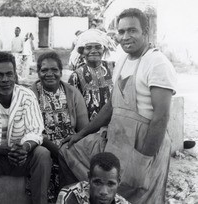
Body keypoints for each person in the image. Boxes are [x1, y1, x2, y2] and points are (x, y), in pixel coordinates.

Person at [59, 8, 177, 203]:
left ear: (145, 32)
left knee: (138, 194)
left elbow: (161, 117)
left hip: (144, 144)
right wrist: (81, 134)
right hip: (118, 138)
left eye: (132, 30)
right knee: (68, 151)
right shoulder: (123, 61)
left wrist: (143, 162)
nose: (125, 37)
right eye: (121, 32)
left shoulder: (157, 63)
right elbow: (111, 106)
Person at [0, 52, 52, 204]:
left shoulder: (27, 96)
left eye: (9, 74)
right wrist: (8, 151)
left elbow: (35, 130)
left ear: (15, 75)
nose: (5, 80)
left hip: (23, 158)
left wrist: (25, 148)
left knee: (43, 153)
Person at [31, 51, 89, 202]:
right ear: (38, 72)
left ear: (61, 72)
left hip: (70, 146)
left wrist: (70, 148)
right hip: (42, 145)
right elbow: (31, 131)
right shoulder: (30, 94)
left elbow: (84, 129)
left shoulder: (73, 93)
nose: (49, 74)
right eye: (44, 70)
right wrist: (57, 150)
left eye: (54, 70)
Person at [68, 29, 115, 121]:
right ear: (82, 52)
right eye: (88, 48)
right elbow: (72, 108)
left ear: (104, 49)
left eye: (98, 47)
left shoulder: (114, 68)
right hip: (88, 129)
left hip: (114, 125)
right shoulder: (76, 76)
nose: (93, 51)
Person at [56, 152, 130, 204]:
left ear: (119, 182)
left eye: (110, 184)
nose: (104, 192)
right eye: (97, 183)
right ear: (89, 178)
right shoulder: (71, 196)